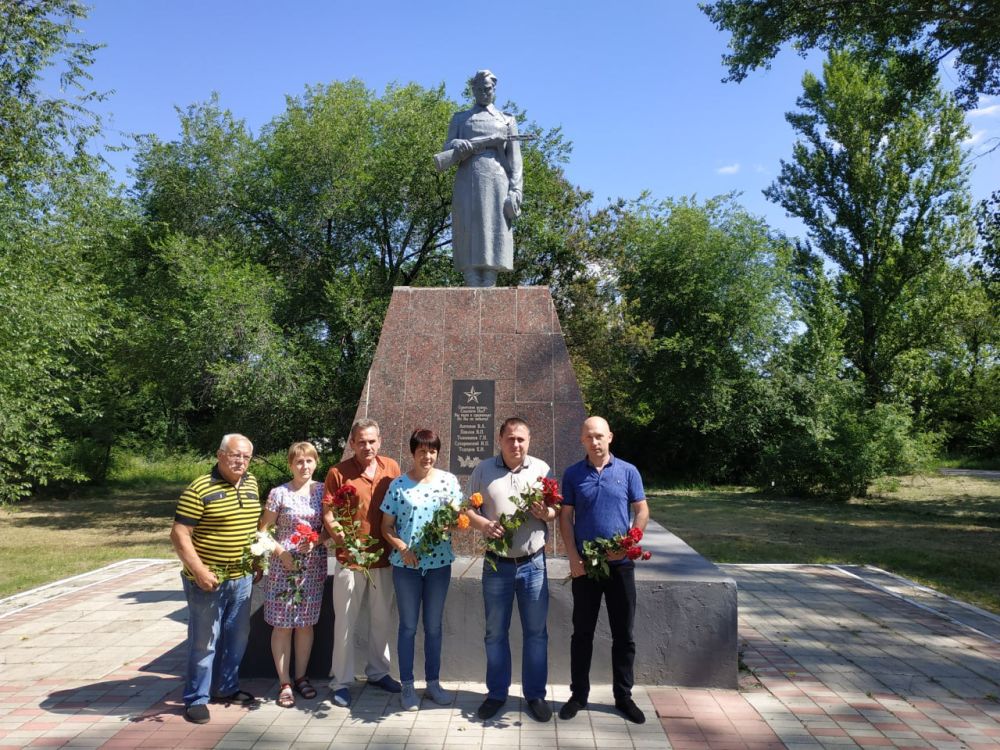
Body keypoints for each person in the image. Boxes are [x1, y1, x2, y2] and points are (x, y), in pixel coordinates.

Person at [558, 417, 649, 724]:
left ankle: (623, 697)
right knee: (582, 633)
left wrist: (630, 543)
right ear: (581, 440)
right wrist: (573, 558)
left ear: (610, 437)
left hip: (620, 566)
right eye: (589, 437)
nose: (594, 441)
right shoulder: (572, 474)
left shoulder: (628, 471)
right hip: (586, 567)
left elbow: (641, 510)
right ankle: (578, 695)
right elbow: (565, 518)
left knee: (624, 634)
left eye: (599, 436)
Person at [465, 417, 555, 722]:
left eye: (521, 439)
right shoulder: (483, 470)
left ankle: (535, 695)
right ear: (500, 440)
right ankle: (496, 694)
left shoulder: (542, 469)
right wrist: (484, 524)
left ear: (529, 441)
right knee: (494, 633)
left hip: (533, 565)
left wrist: (547, 512)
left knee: (536, 633)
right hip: (497, 565)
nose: (516, 444)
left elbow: (556, 508)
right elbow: (468, 508)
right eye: (510, 438)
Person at [170, 433, 261, 724]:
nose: (241, 461)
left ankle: (226, 686)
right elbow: (179, 534)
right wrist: (199, 570)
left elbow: (249, 528)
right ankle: (196, 698)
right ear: (220, 455)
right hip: (208, 580)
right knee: (204, 642)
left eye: (246, 457)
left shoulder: (251, 483)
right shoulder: (199, 488)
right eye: (235, 455)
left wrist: (256, 560)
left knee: (237, 636)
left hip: (242, 577)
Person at [380, 428, 462, 711]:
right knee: (408, 626)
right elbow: (386, 526)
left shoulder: (449, 482)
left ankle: (433, 683)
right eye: (422, 451)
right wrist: (402, 547)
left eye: (432, 451)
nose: (427, 456)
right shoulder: (399, 486)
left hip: (439, 565)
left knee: (434, 626)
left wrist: (451, 525)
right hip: (407, 566)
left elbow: (459, 518)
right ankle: (407, 685)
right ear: (412, 453)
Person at [322, 418, 402, 708]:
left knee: (381, 620)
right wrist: (342, 539)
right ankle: (341, 681)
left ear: (379, 441)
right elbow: (328, 513)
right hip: (350, 559)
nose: (367, 446)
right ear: (352, 443)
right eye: (361, 442)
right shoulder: (338, 472)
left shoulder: (391, 467)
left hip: (383, 557)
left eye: (372, 441)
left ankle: (378, 672)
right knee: (345, 623)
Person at [258, 441, 327, 708]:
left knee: (305, 624)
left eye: (309, 460)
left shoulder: (323, 491)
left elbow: (330, 528)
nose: (304, 466)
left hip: (312, 566)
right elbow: (263, 531)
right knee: (283, 624)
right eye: (299, 461)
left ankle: (301, 677)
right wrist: (281, 552)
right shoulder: (279, 493)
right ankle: (284, 682)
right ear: (290, 465)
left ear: (316, 463)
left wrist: (317, 540)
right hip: (283, 567)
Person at [444, 69, 523, 287]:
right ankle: (470, 278)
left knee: (493, 227)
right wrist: (456, 144)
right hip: (467, 179)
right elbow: (446, 150)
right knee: (468, 226)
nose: (484, 93)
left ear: (494, 89)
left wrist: (516, 191)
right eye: (479, 89)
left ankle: (490, 280)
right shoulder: (460, 119)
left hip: (497, 180)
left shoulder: (506, 120)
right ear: (473, 90)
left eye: (487, 89)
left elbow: (515, 160)